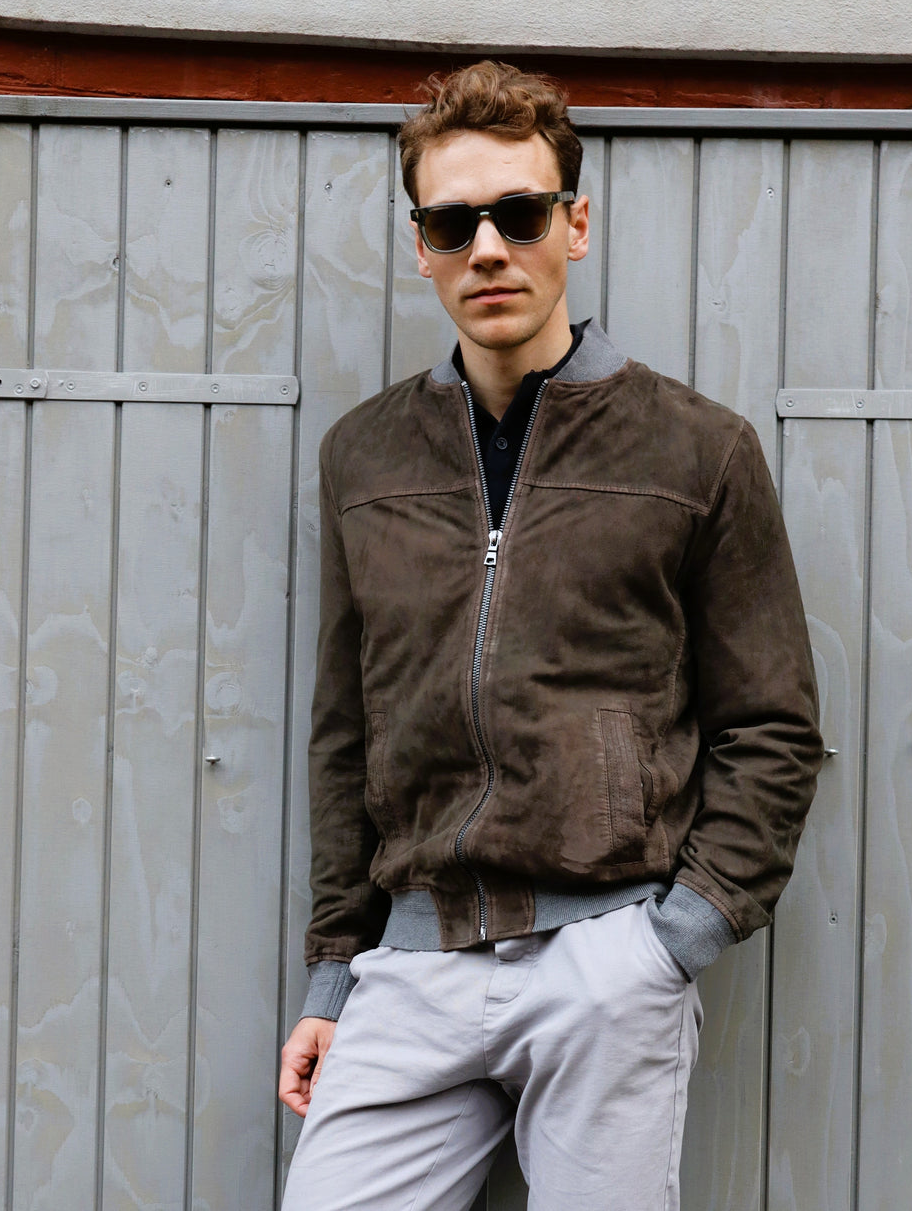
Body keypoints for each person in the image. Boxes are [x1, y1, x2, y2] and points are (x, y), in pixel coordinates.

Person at [279, 60, 822, 1211]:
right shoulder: (363, 458)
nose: (488, 249)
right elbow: (345, 736)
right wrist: (333, 974)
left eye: (519, 215)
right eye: (453, 223)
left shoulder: (697, 450)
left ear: (574, 226)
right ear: (420, 246)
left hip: (607, 959)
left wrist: (675, 940)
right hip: (411, 965)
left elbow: (771, 727)